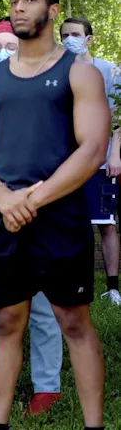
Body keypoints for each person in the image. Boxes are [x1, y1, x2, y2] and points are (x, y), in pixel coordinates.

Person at [0, 0, 114, 430]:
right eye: (14, 1)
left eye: (30, 0)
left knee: (74, 321)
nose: (19, 8)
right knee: (8, 321)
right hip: (4, 214)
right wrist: (3, 196)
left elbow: (92, 150)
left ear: (52, 10)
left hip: (60, 216)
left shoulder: (78, 72)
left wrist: (35, 197)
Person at [0, 18, 63, 415]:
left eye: (11, 43)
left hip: (38, 200)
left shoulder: (48, 81)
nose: (5, 49)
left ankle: (47, 386)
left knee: (42, 301)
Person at [60, 17, 121, 305]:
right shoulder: (58, 71)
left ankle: (112, 288)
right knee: (71, 223)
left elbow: (118, 118)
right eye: (64, 35)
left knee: (106, 224)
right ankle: (76, 283)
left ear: (89, 38)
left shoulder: (109, 71)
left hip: (101, 162)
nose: (69, 39)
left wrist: (115, 153)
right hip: (68, 163)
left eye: (75, 34)